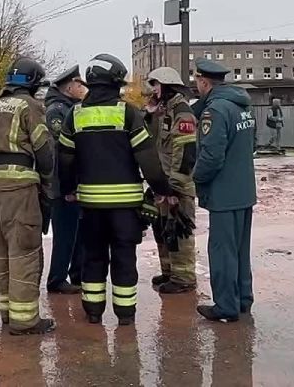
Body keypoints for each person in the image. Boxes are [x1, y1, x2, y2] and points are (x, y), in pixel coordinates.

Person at [57, 54, 173, 326]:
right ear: (116, 83)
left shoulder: (74, 115)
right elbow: (148, 158)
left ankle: (94, 313)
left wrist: (68, 189)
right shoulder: (128, 113)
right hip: (126, 209)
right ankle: (125, 316)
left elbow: (64, 159)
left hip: (91, 207)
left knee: (93, 258)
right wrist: (160, 188)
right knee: (123, 258)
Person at [0, 57, 55, 335]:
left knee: (1, 251)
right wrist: (47, 183)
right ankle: (25, 321)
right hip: (20, 188)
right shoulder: (30, 106)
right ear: (34, 82)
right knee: (24, 251)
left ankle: (8, 314)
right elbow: (44, 150)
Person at [191, 59, 257, 323]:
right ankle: (242, 299)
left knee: (222, 251)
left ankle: (226, 307)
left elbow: (211, 156)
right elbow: (251, 144)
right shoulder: (242, 107)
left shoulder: (215, 111)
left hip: (223, 194)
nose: (196, 86)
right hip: (243, 191)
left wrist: (195, 178)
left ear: (204, 82)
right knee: (241, 250)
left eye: (197, 82)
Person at [145, 66, 198, 294]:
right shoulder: (164, 110)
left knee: (179, 230)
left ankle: (183, 277)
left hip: (177, 183)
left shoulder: (182, 111)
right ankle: (169, 271)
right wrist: (149, 113)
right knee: (163, 228)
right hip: (164, 182)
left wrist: (174, 187)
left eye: (156, 85)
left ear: (166, 85)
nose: (153, 90)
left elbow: (185, 152)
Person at [44, 65, 88, 295]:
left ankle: (77, 274)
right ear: (70, 86)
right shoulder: (56, 110)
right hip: (61, 184)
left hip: (73, 181)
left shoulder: (72, 108)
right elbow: (61, 149)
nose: (83, 88)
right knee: (65, 234)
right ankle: (57, 279)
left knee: (78, 232)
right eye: (80, 84)